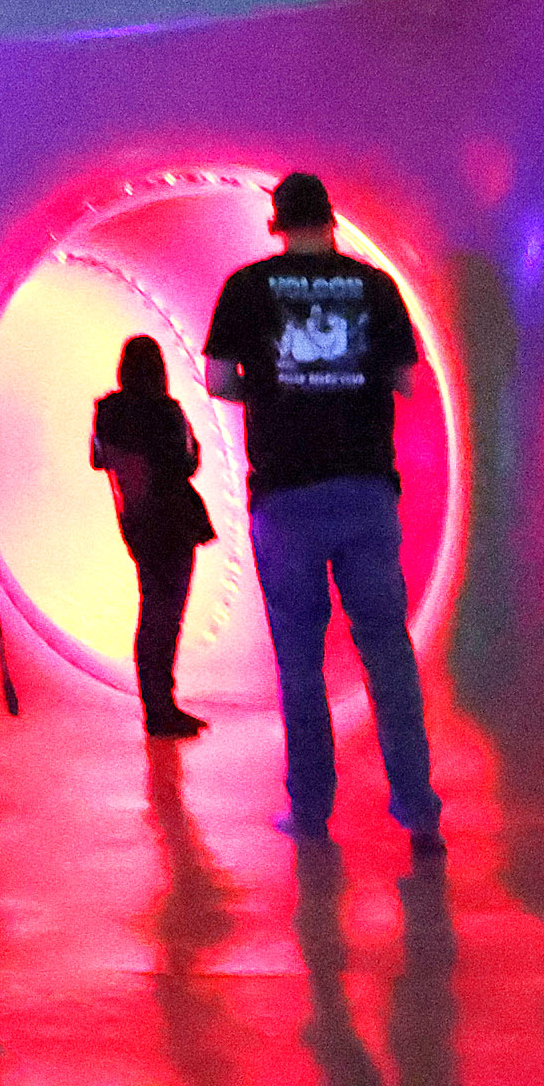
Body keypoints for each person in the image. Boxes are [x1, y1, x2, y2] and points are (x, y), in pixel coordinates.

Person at [201, 172, 440, 853]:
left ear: (277, 224)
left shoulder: (246, 288)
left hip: (285, 496)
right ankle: (419, 812)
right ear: (330, 221)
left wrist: (278, 394)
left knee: (300, 665)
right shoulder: (375, 286)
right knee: (389, 655)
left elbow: (219, 380)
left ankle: (310, 813)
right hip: (366, 490)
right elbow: (405, 378)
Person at [91, 334, 214, 741]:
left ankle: (157, 703)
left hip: (136, 521)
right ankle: (162, 708)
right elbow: (186, 463)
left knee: (152, 611)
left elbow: (98, 458)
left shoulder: (107, 412)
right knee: (167, 614)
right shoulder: (166, 412)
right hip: (173, 522)